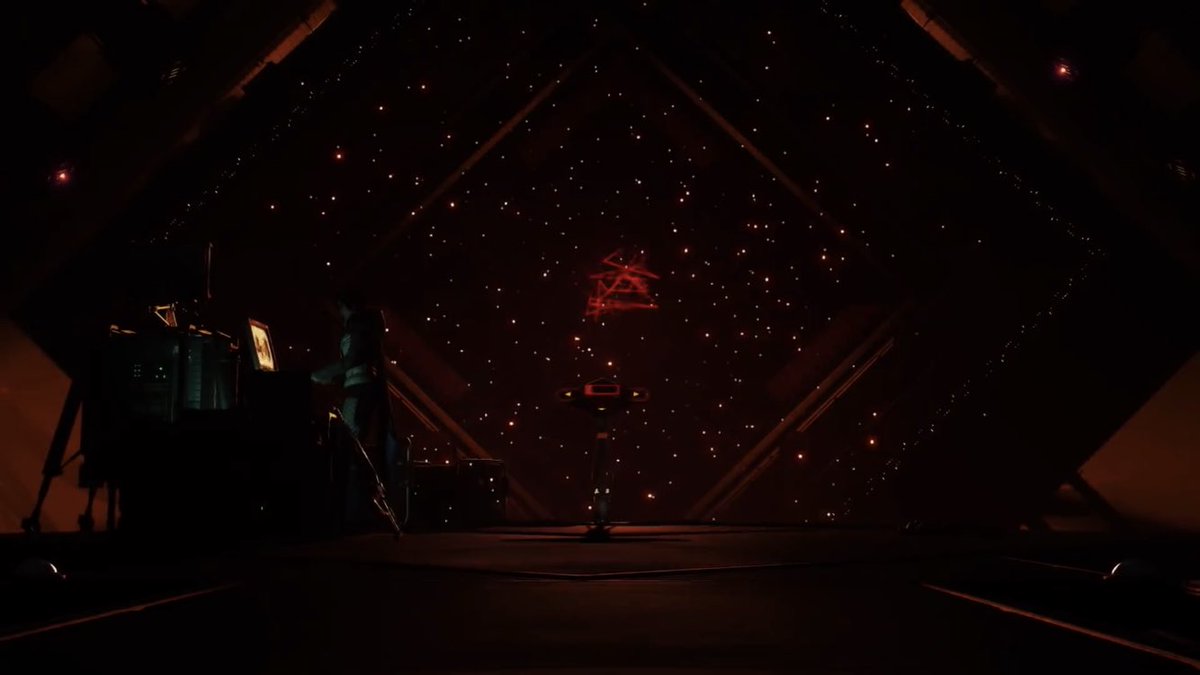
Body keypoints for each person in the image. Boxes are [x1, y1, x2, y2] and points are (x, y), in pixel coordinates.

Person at [311, 290, 396, 527]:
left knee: (348, 444)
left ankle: (364, 497)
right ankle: (369, 494)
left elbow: (351, 360)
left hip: (358, 391)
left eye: (340, 308)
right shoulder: (366, 327)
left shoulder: (357, 327)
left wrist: (319, 375)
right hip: (361, 389)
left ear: (346, 306)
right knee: (352, 444)